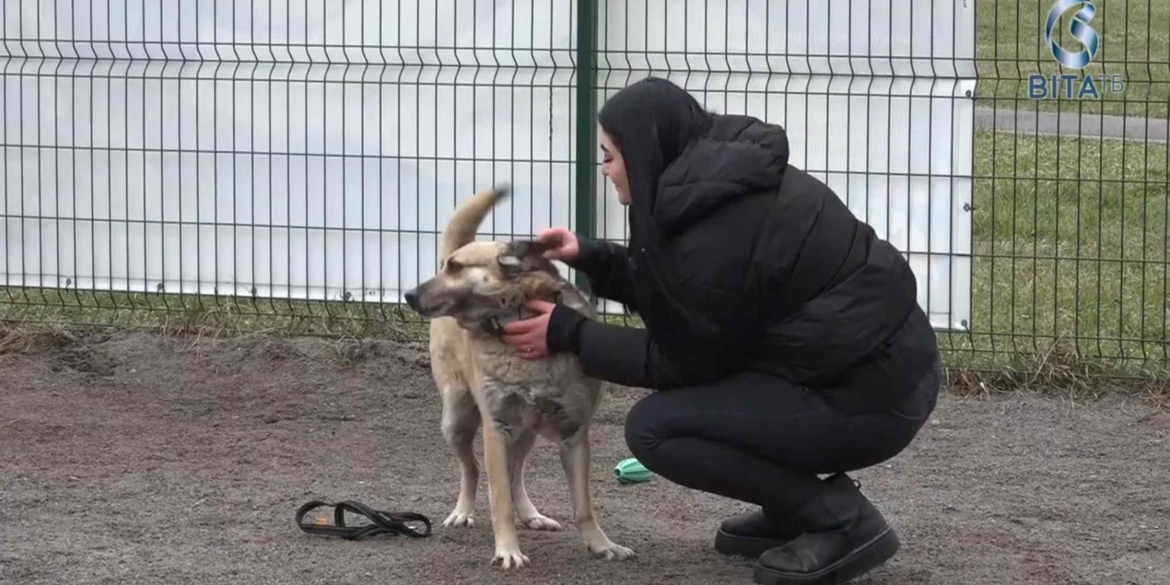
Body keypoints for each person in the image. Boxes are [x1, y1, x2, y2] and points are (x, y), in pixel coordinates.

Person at [499, 77, 941, 585]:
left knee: (656, 428)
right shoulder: (714, 184)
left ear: (644, 153)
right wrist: (594, 256)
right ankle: (793, 510)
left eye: (609, 156)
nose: (605, 170)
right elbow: (692, 302)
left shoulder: (713, 230)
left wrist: (571, 335)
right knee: (703, 405)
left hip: (872, 398)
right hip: (879, 371)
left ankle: (838, 519)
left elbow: (684, 361)